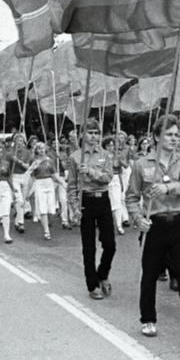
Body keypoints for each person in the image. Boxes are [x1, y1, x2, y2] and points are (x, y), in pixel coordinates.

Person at [126, 115, 180, 348]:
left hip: (178, 223)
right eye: (169, 134)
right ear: (156, 137)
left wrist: (166, 188)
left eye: (177, 135)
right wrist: (137, 219)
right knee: (150, 274)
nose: (174, 139)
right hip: (153, 224)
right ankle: (148, 318)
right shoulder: (141, 165)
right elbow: (132, 196)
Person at [68, 119, 116, 300]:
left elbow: (107, 178)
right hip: (85, 201)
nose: (94, 136)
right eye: (90, 132)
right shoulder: (75, 157)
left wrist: (89, 171)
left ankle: (103, 273)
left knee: (110, 244)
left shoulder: (105, 155)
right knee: (89, 247)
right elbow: (72, 185)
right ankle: (92, 284)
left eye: (97, 133)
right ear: (83, 134)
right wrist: (74, 208)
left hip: (102, 200)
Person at [25, 141, 63, 240]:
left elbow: (54, 175)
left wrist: (63, 183)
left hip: (49, 183)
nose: (42, 151)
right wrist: (28, 192)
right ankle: (46, 231)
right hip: (39, 184)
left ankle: (48, 222)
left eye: (43, 148)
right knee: (42, 209)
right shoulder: (34, 161)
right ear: (36, 150)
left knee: (51, 210)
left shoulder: (50, 161)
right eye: (39, 149)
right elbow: (31, 177)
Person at [9, 133, 32, 233]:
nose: (20, 143)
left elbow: (28, 167)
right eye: (18, 141)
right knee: (19, 200)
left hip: (24, 176)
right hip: (14, 177)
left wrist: (18, 161)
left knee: (23, 200)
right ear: (14, 142)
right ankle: (21, 223)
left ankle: (17, 222)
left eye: (21, 141)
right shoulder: (10, 153)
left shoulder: (27, 152)